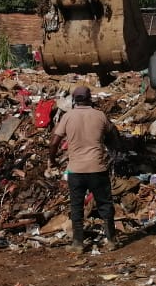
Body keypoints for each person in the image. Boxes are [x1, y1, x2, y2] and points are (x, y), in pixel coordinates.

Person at [50, 86, 120, 253]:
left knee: (77, 207)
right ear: (90, 98)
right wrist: (115, 153)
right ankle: (111, 240)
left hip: (76, 171)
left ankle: (78, 244)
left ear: (74, 99)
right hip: (97, 168)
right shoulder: (100, 115)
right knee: (105, 205)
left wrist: (52, 160)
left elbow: (53, 142)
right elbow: (113, 136)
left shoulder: (67, 117)